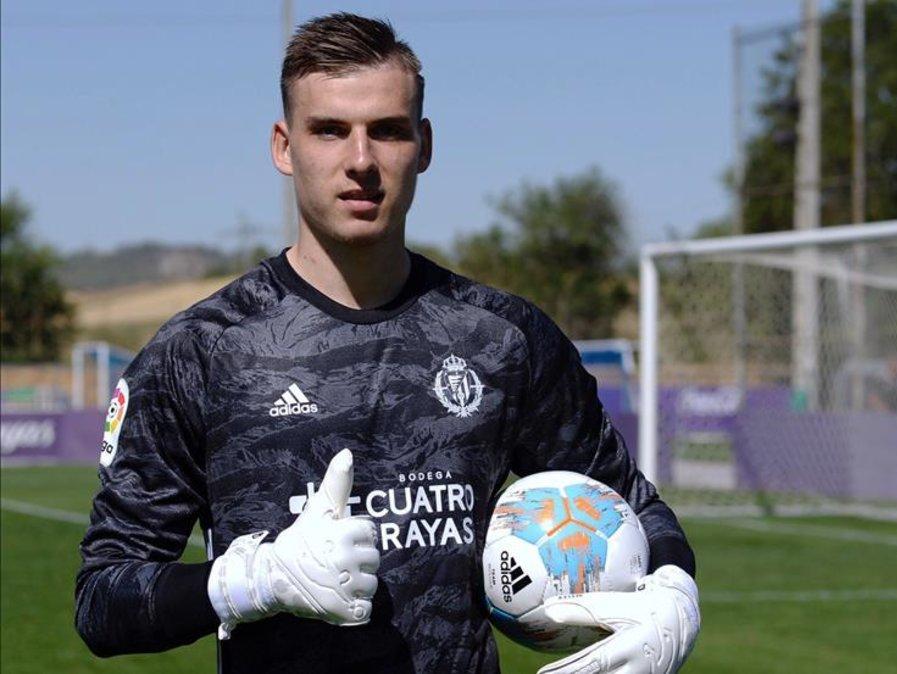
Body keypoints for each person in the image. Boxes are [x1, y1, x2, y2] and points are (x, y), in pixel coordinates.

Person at [75, 13, 698, 674]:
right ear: (284, 147)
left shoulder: (502, 338)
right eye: (330, 130)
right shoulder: (203, 351)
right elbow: (102, 600)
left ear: (423, 145)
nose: (361, 161)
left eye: (388, 131)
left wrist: (674, 589)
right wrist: (248, 583)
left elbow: (633, 506)